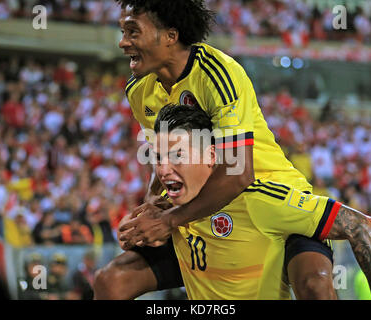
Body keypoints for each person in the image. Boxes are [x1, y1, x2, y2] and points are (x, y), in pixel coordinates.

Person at [95, 0, 334, 299]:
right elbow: (165, 158)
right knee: (110, 281)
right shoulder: (139, 90)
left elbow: (238, 173)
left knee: (316, 286)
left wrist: (167, 220)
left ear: (170, 36)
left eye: (133, 31)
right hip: (204, 213)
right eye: (122, 31)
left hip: (271, 203)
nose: (123, 42)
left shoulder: (217, 74)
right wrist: (152, 204)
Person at [101, 104, 371, 300]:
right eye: (158, 158)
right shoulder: (166, 209)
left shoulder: (257, 201)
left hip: (285, 232)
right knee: (108, 280)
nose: (163, 169)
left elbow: (362, 226)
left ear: (211, 158)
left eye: (178, 156)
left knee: (317, 286)